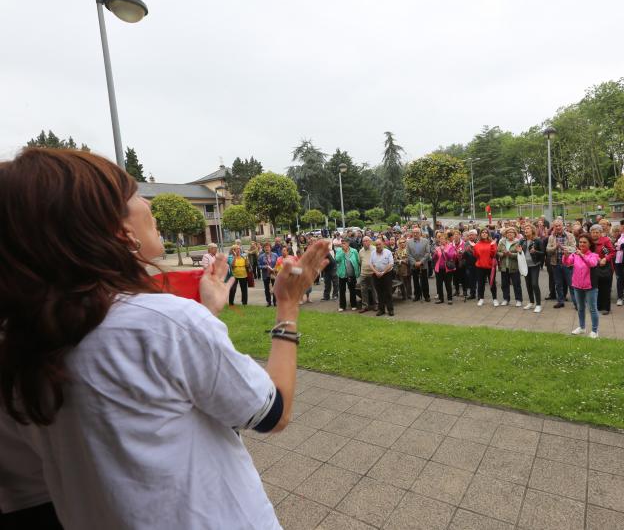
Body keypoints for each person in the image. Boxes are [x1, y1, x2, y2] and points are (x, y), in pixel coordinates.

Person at [0, 147, 328, 530]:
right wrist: (287, 306)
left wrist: (205, 313)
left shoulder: (19, 342)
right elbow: (273, 412)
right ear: (114, 229)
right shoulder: (164, 323)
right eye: (132, 194)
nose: (146, 203)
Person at [563, 233, 600, 338]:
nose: (582, 244)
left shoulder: (594, 255)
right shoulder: (575, 254)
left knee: (592, 308)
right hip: (577, 285)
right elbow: (567, 262)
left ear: (589, 244)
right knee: (580, 308)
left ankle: (594, 331)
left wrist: (582, 255)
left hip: (590, 286)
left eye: (584, 242)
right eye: (580, 242)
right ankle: (582, 327)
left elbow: (592, 263)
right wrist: (565, 256)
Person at [546, 220, 577, 309]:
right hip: (556, 264)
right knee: (558, 284)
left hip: (568, 264)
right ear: (553, 227)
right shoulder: (551, 237)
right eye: (556, 226)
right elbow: (548, 249)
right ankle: (560, 301)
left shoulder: (570, 235)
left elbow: (574, 248)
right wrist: (555, 247)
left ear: (563, 226)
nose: (558, 227)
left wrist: (563, 247)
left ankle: (576, 303)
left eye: (559, 225)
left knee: (571, 284)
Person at [589, 224, 615, 315]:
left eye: (597, 232)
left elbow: (612, 252)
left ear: (601, 233)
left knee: (605, 288)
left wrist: (605, 259)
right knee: (595, 288)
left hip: (605, 268)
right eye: (593, 232)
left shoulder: (606, 240)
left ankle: (606, 308)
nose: (595, 234)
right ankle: (597, 306)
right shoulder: (589, 241)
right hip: (593, 267)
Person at [496, 227, 523, 307]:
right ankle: (506, 299)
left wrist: (511, 254)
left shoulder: (518, 242)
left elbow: (520, 254)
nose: (510, 233)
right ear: (505, 234)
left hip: (514, 266)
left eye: (512, 232)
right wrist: (503, 254)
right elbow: (498, 252)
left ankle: (518, 300)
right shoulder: (502, 242)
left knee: (516, 284)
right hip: (504, 266)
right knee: (504, 284)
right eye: (508, 232)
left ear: (515, 234)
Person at [520, 225, 544, 312]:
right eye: (525, 229)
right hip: (525, 266)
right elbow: (519, 251)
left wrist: (535, 251)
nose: (525, 230)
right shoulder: (522, 240)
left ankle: (538, 304)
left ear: (532, 230)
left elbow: (543, 253)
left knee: (534, 284)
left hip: (534, 265)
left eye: (528, 228)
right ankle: (531, 302)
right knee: (528, 284)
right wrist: (519, 251)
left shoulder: (537, 240)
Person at [473, 228, 498, 306]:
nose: (484, 233)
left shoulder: (492, 243)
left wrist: (492, 246)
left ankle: (495, 299)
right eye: (482, 232)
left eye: (486, 232)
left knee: (492, 283)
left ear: (488, 234)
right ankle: (481, 298)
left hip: (490, 267)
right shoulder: (477, 244)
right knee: (481, 283)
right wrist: (474, 248)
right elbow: (476, 255)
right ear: (480, 234)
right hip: (480, 266)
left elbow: (493, 254)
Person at [370, 238, 395, 316]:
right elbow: (370, 264)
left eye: (379, 244)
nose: (378, 246)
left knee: (388, 292)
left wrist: (383, 272)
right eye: (376, 245)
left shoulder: (388, 252)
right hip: (376, 275)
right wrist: (376, 272)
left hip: (387, 274)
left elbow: (391, 264)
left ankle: (390, 309)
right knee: (379, 293)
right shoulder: (373, 253)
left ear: (383, 244)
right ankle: (381, 310)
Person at [407, 227, 431, 302]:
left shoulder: (425, 241)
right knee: (415, 280)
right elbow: (408, 254)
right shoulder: (408, 242)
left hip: (423, 264)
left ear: (420, 233)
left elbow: (427, 253)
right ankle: (417, 295)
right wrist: (414, 263)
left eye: (417, 232)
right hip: (414, 265)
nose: (415, 234)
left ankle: (426, 295)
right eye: (414, 232)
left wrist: (421, 262)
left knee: (424, 281)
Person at [335, 239, 360, 312]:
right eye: (342, 243)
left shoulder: (354, 251)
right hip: (342, 274)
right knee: (342, 291)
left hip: (351, 274)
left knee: (352, 290)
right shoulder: (339, 251)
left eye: (344, 243)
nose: (343, 244)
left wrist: (358, 271)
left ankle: (354, 305)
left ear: (348, 243)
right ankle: (342, 306)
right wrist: (343, 252)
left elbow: (358, 261)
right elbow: (337, 260)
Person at [357, 236, 378, 312]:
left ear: (370, 241)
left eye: (367, 241)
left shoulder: (375, 249)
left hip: (373, 273)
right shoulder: (361, 251)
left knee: (374, 290)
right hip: (363, 274)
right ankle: (365, 306)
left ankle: (376, 305)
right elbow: (360, 262)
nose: (365, 242)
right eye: (363, 241)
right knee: (363, 290)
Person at [462, 229, 479, 300]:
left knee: (479, 280)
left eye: (472, 235)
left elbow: (479, 254)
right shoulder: (466, 243)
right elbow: (464, 255)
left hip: (478, 264)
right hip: (469, 264)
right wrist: (464, 252)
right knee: (471, 280)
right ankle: (472, 294)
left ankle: (480, 295)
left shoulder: (478, 243)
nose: (470, 236)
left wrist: (472, 251)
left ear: (476, 235)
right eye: (469, 235)